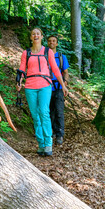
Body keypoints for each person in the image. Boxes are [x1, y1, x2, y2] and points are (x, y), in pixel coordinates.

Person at [16, 28, 68, 156]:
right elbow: (22, 69)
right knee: (35, 115)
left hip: (45, 85)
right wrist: (19, 82)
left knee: (44, 112)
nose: (35, 35)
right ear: (30, 37)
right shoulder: (26, 53)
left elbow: (56, 69)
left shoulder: (47, 51)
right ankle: (41, 144)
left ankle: (48, 143)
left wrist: (63, 85)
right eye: (33, 34)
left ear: (41, 36)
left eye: (38, 34)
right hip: (30, 86)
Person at [47, 35, 70, 145]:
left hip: (59, 87)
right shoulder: (44, 56)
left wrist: (65, 84)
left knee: (59, 111)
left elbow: (65, 72)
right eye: (50, 41)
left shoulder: (61, 57)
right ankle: (51, 133)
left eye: (54, 41)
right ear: (47, 43)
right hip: (46, 87)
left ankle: (60, 134)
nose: (52, 42)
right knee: (49, 111)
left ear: (57, 43)